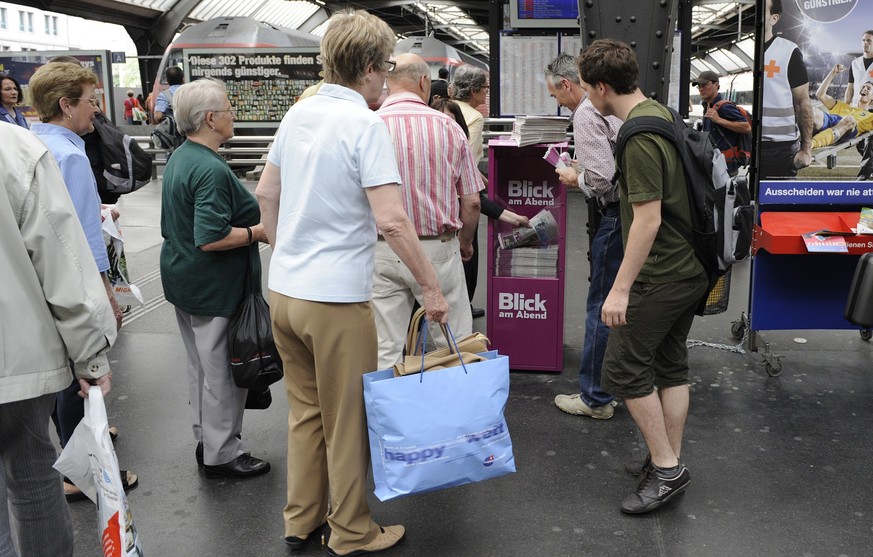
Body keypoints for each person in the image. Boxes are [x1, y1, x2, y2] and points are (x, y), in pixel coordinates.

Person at [256, 10, 449, 555]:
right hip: (336, 298)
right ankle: (351, 531)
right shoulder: (366, 124)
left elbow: (267, 193)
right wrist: (430, 287)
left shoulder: (299, 115)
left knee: (307, 414)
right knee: (347, 422)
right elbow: (391, 220)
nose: (386, 76)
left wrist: (285, 247)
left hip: (286, 292)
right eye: (386, 65)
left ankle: (301, 519)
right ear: (369, 67)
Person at [577, 38, 710, 514]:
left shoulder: (636, 136)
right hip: (690, 265)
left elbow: (648, 219)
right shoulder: (663, 113)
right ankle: (667, 460)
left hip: (661, 274)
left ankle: (668, 469)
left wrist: (620, 289)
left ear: (600, 87)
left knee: (623, 369)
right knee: (670, 367)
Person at [0, 122, 117, 557]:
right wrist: (90, 358)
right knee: (31, 473)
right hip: (14, 357)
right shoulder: (14, 148)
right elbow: (61, 261)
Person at [28, 61, 137, 498]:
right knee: (84, 371)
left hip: (39, 280)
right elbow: (81, 239)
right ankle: (81, 474)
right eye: (91, 101)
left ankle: (75, 454)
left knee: (61, 371)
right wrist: (107, 294)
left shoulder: (32, 143)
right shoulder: (71, 155)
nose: (96, 110)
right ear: (66, 105)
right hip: (75, 280)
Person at [159, 78, 271, 478]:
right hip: (215, 286)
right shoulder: (209, 168)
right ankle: (223, 453)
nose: (233, 114)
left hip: (185, 282)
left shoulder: (182, 156)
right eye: (228, 109)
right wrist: (259, 233)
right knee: (223, 371)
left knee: (201, 368)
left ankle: (207, 439)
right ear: (210, 118)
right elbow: (211, 237)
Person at [373, 53, 481, 368]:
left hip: (381, 249)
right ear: (424, 81)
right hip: (438, 248)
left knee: (386, 347)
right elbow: (472, 201)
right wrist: (465, 242)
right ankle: (457, 412)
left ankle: (390, 415)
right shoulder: (449, 127)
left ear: (387, 84)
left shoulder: (368, 126)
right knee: (455, 342)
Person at [545, 53, 623, 420]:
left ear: (567, 84)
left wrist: (576, 178)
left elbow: (603, 178)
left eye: (555, 94)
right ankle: (623, 384)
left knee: (601, 306)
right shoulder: (615, 106)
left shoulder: (586, 112)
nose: (557, 102)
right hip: (638, 215)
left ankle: (595, 398)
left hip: (616, 217)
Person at [450, 64, 492, 318]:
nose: (486, 93)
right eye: (485, 88)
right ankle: (464, 306)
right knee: (467, 251)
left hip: (441, 193)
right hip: (462, 195)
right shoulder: (474, 117)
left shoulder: (445, 108)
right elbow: (466, 159)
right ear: (475, 90)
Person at [760, 0, 813, 179]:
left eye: (761, 10)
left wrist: (806, 149)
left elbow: (803, 102)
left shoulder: (788, 51)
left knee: (777, 204)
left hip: (780, 149)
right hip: (746, 145)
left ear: (774, 18)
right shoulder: (745, 51)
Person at [692, 70, 752, 175]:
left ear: (716, 85)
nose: (701, 89)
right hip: (714, 163)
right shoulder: (707, 106)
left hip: (726, 166)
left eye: (705, 85)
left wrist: (719, 120)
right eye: (699, 86)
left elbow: (746, 127)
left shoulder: (725, 107)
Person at [811, 64, 873, 148]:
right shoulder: (844, 105)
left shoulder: (870, 117)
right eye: (863, 87)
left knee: (849, 119)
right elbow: (820, 95)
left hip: (848, 129)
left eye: (868, 88)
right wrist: (833, 72)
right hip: (830, 121)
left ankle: (810, 144)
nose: (864, 89)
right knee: (810, 110)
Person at [844, 30, 873, 105]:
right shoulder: (854, 63)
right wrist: (846, 106)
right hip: (856, 107)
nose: (865, 43)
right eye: (863, 40)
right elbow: (850, 88)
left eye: (869, 41)